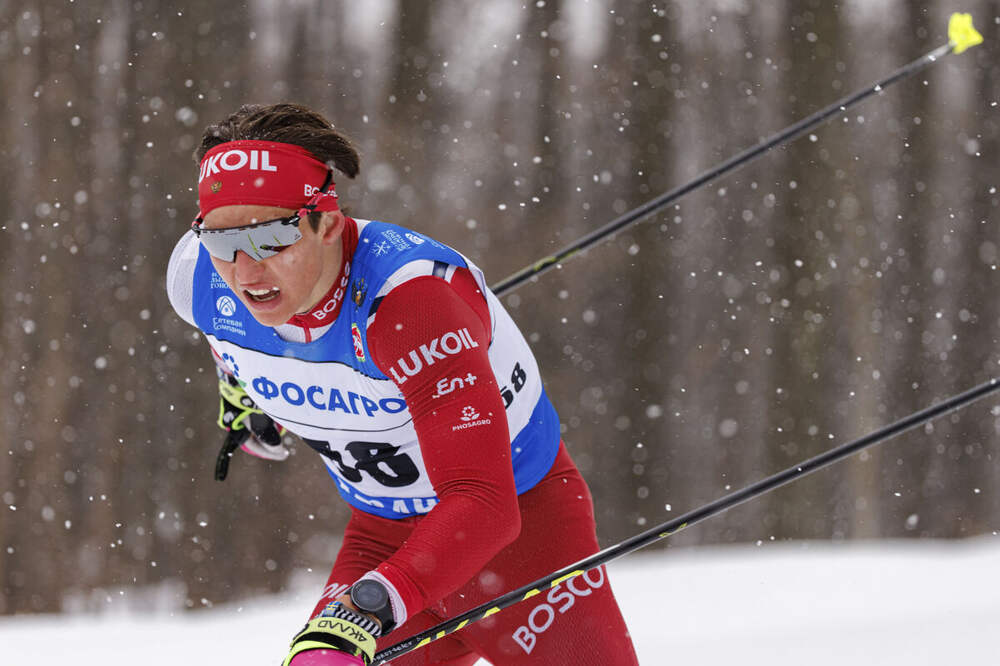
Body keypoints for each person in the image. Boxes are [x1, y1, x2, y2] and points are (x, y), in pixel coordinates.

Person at [166, 103, 638, 665]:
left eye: (270, 239)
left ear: (327, 225)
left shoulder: (411, 304)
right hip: (384, 534)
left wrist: (367, 609)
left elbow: (484, 503)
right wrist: (246, 397)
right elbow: (230, 343)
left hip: (519, 534)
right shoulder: (197, 280)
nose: (244, 272)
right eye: (221, 242)